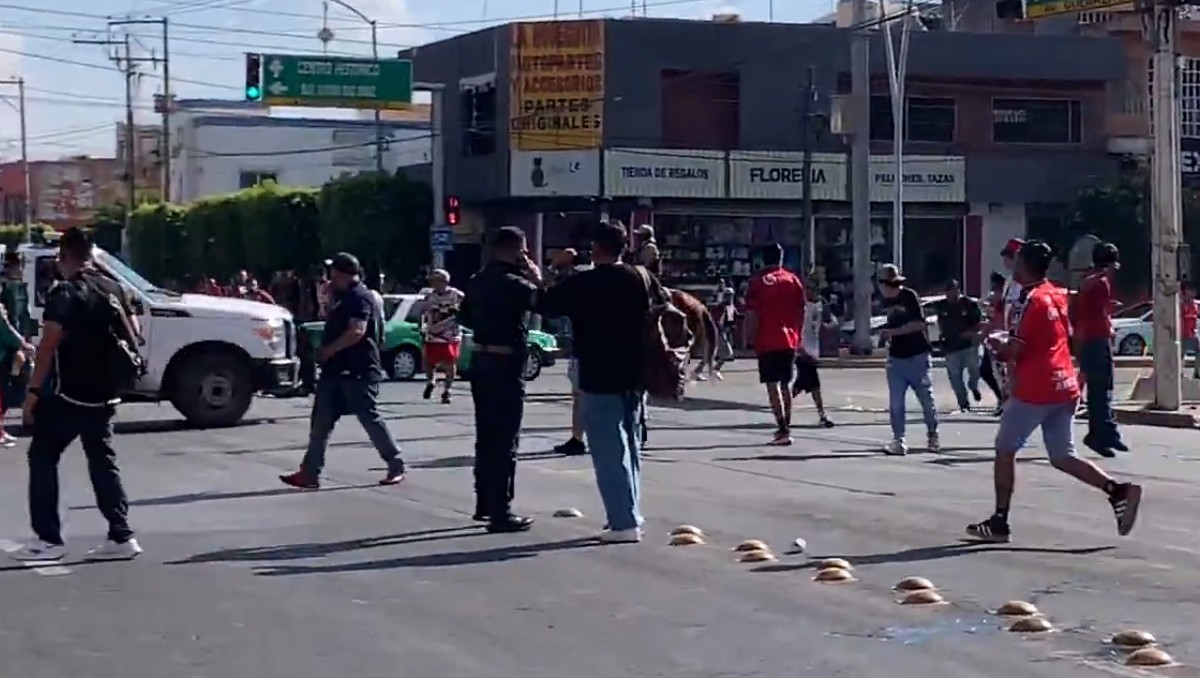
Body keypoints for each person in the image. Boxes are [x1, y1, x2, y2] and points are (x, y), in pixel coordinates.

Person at [967, 240, 1142, 543]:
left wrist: (996, 345)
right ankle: (1117, 491)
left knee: (1004, 449)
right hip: (1064, 384)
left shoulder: (1030, 301)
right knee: (1062, 455)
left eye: (1017, 260)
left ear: (1024, 265)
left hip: (1036, 388)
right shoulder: (1056, 294)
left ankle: (999, 520)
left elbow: (1015, 350)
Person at [12, 227, 142, 562]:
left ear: (64, 256)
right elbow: (135, 332)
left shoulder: (65, 293)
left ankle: (48, 540)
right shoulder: (115, 288)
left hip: (69, 393)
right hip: (107, 391)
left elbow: (48, 347)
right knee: (102, 460)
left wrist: (32, 393)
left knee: (42, 456)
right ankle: (122, 535)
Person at [538, 221, 657, 543]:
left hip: (598, 373)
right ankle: (630, 513)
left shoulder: (584, 282)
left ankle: (623, 523)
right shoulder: (640, 277)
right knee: (630, 447)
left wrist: (554, 268)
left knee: (608, 451)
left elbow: (543, 302)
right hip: (637, 373)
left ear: (596, 249)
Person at [280, 253, 406, 490]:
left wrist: (328, 351)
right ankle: (310, 472)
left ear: (342, 273)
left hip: (357, 371)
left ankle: (395, 463)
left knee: (369, 418)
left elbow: (357, 331)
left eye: (333, 272)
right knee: (320, 422)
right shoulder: (341, 298)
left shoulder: (360, 297)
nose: (329, 277)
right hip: (335, 372)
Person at [459, 227, 540, 533]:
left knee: (486, 435)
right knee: (505, 439)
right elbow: (547, 303)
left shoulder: (477, 280)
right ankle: (500, 511)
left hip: (481, 360)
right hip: (505, 362)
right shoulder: (515, 283)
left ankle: (484, 502)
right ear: (517, 250)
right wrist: (536, 277)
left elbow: (464, 316)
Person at [745, 243, 806, 446]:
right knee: (785, 384)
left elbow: (752, 313)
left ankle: (782, 427)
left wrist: (748, 338)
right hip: (789, 339)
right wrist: (798, 334)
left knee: (772, 385)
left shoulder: (758, 282)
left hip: (767, 339)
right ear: (781, 258)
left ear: (763, 259)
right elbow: (802, 310)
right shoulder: (793, 280)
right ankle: (787, 425)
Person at [878, 264, 939, 456]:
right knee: (896, 403)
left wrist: (893, 332)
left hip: (917, 355)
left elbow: (919, 324)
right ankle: (899, 440)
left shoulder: (909, 296)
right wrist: (885, 336)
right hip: (896, 358)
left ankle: (932, 435)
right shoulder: (885, 302)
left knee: (925, 398)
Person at [1075, 242, 1126, 458]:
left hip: (1088, 338)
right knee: (1102, 388)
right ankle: (1103, 433)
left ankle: (1104, 432)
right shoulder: (1101, 282)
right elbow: (1100, 312)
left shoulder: (1087, 279)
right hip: (1097, 339)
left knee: (1099, 388)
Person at [551, 253, 593, 458]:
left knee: (580, 397)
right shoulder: (604, 281)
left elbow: (549, 300)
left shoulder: (576, 283)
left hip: (584, 349)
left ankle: (578, 438)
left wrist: (552, 269)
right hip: (597, 349)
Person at [936, 279, 984, 413]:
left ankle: (973, 386)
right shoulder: (942, 306)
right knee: (955, 377)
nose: (950, 294)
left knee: (975, 370)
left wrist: (972, 332)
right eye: (948, 291)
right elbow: (940, 323)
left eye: (953, 290)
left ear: (958, 291)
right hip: (951, 346)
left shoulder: (968, 304)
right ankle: (963, 403)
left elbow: (979, 322)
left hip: (969, 345)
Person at [419, 269, 464, 404]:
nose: (434, 284)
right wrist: (422, 326)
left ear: (444, 281)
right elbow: (423, 313)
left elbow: (467, 309)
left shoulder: (456, 295)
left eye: (436, 281)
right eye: (432, 281)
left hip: (450, 334)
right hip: (433, 333)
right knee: (428, 359)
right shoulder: (429, 296)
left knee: (449, 362)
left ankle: (447, 390)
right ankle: (430, 381)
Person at [793, 283, 835, 428]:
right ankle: (822, 415)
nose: (811, 292)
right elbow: (796, 327)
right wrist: (798, 347)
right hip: (803, 350)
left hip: (813, 350)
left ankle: (781, 405)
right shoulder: (800, 306)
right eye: (808, 289)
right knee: (814, 385)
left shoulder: (820, 305)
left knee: (801, 384)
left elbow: (825, 324)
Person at [979, 272, 1007, 407]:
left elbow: (1000, 322)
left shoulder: (1005, 303)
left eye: (996, 288)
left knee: (1002, 374)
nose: (994, 292)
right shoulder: (993, 303)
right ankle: (1001, 398)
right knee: (986, 372)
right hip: (991, 342)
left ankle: (1006, 401)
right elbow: (990, 321)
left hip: (1002, 342)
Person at [1182, 281, 1200, 379]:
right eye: (1191, 291)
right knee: (1181, 354)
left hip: (1193, 333)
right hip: (1183, 333)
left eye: (1194, 291)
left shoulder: (1195, 304)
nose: (1193, 293)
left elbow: (1195, 317)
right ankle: (1180, 372)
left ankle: (1197, 372)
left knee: (1198, 352)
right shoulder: (1182, 304)